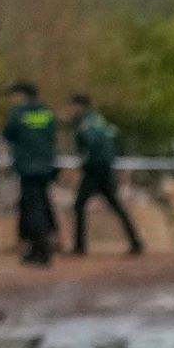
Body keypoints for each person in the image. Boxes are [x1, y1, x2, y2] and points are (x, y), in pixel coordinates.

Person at [65, 95, 141, 253]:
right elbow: (114, 138)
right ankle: (135, 241)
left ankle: (80, 246)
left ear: (79, 106)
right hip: (106, 167)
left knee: (79, 205)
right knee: (115, 205)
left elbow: (89, 142)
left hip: (95, 169)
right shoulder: (100, 120)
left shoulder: (85, 122)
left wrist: (84, 156)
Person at [0, 84, 57, 267]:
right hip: (46, 165)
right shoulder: (47, 112)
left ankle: (42, 250)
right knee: (40, 204)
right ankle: (35, 249)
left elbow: (7, 133)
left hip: (28, 166)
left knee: (32, 209)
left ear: (21, 95)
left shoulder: (20, 112)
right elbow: (52, 135)